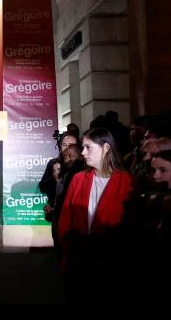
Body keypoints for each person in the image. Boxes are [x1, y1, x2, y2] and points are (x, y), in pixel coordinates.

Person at [57, 127, 135, 305]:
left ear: (106, 148)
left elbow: (131, 227)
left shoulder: (128, 181)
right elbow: (65, 218)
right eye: (82, 147)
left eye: (88, 147)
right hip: (78, 263)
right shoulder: (78, 179)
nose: (82, 152)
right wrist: (69, 251)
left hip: (112, 266)